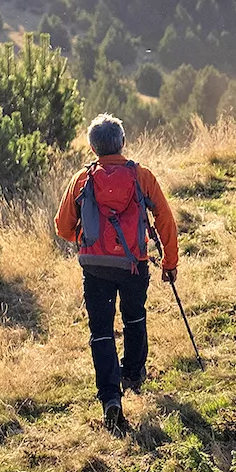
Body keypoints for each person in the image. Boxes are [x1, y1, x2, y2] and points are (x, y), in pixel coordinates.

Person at [55, 114, 179, 430]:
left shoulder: (81, 179)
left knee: (101, 331)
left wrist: (85, 240)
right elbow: (165, 220)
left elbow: (62, 226)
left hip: (94, 264)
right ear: (122, 142)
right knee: (134, 316)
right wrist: (169, 262)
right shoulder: (142, 176)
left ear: (93, 147)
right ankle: (133, 374)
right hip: (133, 263)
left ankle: (111, 398)